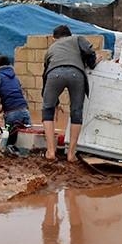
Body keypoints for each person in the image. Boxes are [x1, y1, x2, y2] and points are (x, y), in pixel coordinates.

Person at [42, 25, 98, 162]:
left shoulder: (51, 49)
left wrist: (54, 103)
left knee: (47, 111)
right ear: (69, 34)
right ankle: (71, 154)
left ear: (54, 38)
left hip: (54, 74)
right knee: (76, 112)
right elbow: (90, 52)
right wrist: (93, 64)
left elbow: (45, 75)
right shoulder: (77, 39)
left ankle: (50, 151)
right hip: (76, 74)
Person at [0, 55, 33, 133]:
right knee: (28, 139)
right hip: (25, 112)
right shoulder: (15, 78)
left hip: (11, 116)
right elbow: (6, 103)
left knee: (9, 141)